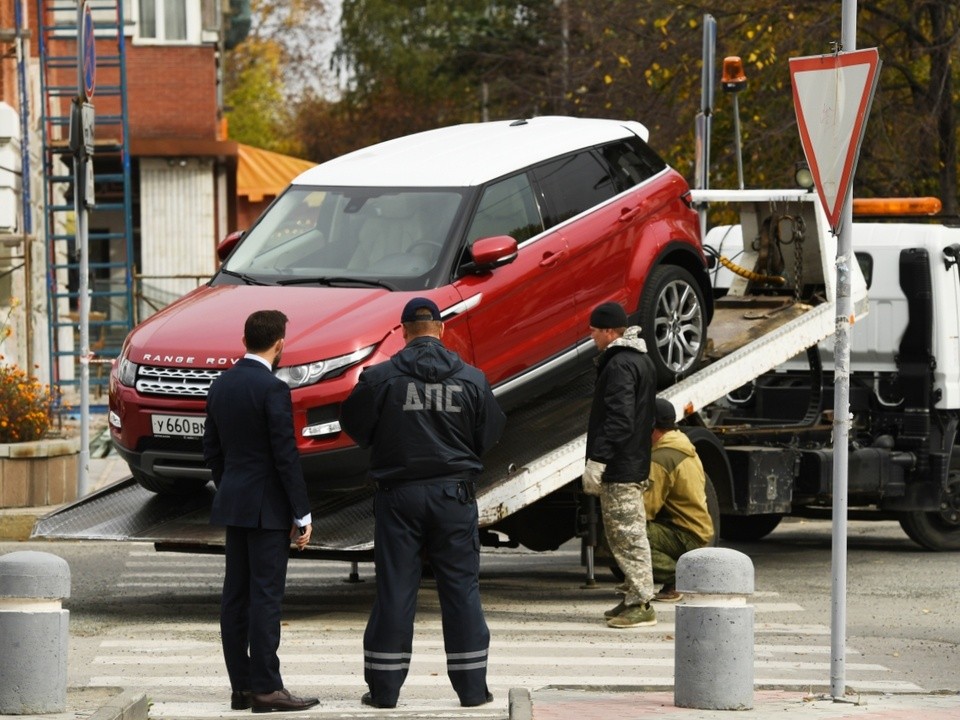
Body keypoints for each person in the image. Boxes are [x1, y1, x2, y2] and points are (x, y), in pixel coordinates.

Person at [340, 297, 506, 710]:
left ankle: (384, 692)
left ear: (403, 331)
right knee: (461, 591)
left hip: (399, 496)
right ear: (442, 329)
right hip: (454, 495)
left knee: (396, 590)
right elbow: (488, 435)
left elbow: (354, 425)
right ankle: (472, 690)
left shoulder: (379, 378)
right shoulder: (472, 379)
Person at [202, 309, 320, 714]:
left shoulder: (220, 385)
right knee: (266, 599)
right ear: (279, 343)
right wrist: (301, 512)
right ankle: (267, 689)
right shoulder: (272, 389)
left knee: (235, 598)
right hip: (268, 508)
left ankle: (242, 687)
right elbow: (284, 455)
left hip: (234, 503)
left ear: (245, 340)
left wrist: (232, 484)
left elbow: (212, 452)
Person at [583, 301, 658, 629]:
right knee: (623, 533)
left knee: (627, 535)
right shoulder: (639, 360)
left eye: (595, 331)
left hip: (620, 465)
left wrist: (598, 459)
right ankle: (631, 595)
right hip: (632, 462)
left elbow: (619, 419)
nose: (592, 336)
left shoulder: (619, 365)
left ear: (611, 332)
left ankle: (642, 603)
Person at [646, 397, 715, 602]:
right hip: (697, 532)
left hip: (686, 536)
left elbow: (645, 509)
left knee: (623, 533)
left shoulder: (661, 458)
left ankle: (680, 578)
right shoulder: (682, 446)